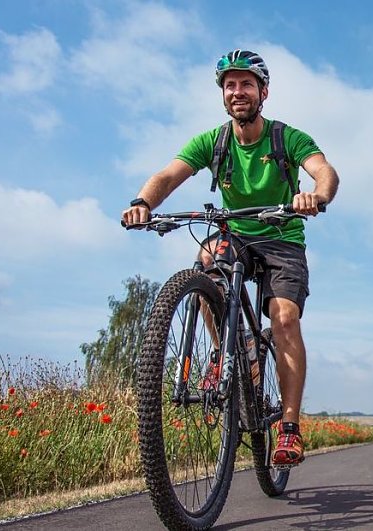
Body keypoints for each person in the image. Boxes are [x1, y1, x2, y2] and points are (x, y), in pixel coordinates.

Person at [122, 49, 339, 467]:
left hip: (282, 236)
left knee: (284, 319)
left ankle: (290, 428)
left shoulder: (286, 138)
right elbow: (168, 175)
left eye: (246, 84)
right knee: (206, 261)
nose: (237, 91)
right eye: (229, 85)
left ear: (263, 92)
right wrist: (142, 202)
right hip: (236, 233)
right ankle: (229, 353)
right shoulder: (213, 141)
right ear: (223, 94)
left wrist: (316, 195)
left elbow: (324, 169)